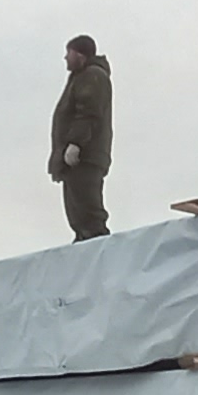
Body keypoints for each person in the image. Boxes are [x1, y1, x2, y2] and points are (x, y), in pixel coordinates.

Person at [48, 34, 113, 241]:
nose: (65, 58)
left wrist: (75, 143)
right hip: (79, 158)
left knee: (89, 215)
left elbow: (88, 112)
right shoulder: (82, 77)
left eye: (69, 53)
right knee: (79, 215)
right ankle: (86, 246)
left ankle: (96, 250)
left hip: (85, 157)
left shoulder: (92, 76)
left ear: (80, 55)